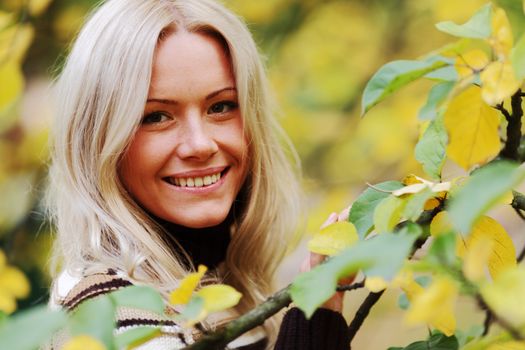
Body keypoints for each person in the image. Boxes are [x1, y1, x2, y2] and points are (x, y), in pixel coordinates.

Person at [47, 0, 350, 348]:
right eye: (156, 116)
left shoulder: (220, 285)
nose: (200, 144)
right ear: (97, 140)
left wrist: (319, 307)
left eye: (220, 106)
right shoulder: (110, 316)